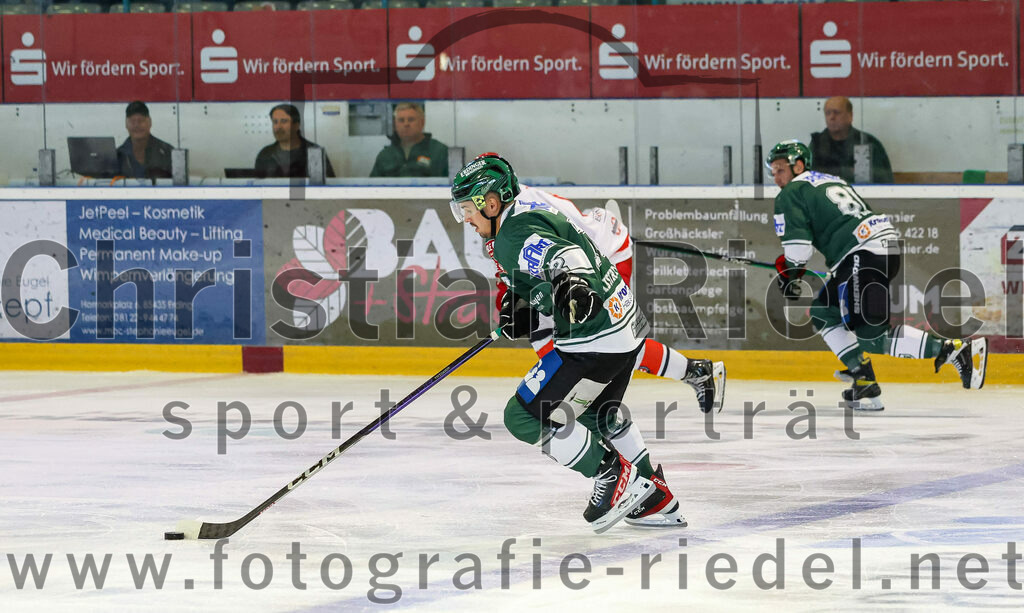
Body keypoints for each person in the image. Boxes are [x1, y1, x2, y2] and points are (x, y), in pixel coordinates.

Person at [450, 154, 710, 532]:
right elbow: (542, 266)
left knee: (522, 417)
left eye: (467, 209)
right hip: (623, 331)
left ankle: (611, 474)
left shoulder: (511, 232)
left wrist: (572, 283)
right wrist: (520, 304)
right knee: (597, 417)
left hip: (593, 341)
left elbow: (564, 256)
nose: (466, 219)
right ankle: (655, 499)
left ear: (490, 203)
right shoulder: (525, 213)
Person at [473, 154, 725, 414]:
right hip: (583, 258)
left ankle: (580, 399)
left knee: (606, 338)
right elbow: (516, 266)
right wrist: (509, 302)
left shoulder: (520, 210)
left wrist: (513, 300)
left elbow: (560, 252)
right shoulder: (504, 211)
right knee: (564, 334)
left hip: (603, 255)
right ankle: (695, 371)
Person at [766, 139, 987, 411]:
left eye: (780, 169)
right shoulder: (830, 181)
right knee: (824, 312)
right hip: (879, 249)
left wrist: (790, 274)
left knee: (872, 336)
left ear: (798, 166)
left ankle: (954, 350)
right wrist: (795, 270)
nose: (776, 177)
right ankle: (863, 380)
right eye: (773, 172)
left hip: (862, 254)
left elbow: (799, 249)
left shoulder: (790, 193)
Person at [809, 96, 893, 184]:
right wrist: (848, 172)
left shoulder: (867, 143)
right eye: (828, 113)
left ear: (850, 116)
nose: (832, 117)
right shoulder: (816, 144)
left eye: (837, 112)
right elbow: (807, 177)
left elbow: (885, 181)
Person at [255, 104, 335, 179]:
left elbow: (326, 186)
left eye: (284, 121)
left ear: (296, 125)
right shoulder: (265, 154)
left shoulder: (315, 152)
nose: (278, 127)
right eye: (275, 122)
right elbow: (257, 185)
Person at [370, 102, 448, 178]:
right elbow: (372, 185)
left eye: (411, 119)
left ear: (422, 122)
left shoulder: (440, 152)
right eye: (401, 120)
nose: (406, 124)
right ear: (395, 125)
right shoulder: (385, 155)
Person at [117, 101, 173, 180]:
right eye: (132, 121)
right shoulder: (118, 155)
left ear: (150, 122)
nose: (136, 125)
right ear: (126, 124)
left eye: (141, 121)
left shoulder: (168, 152)